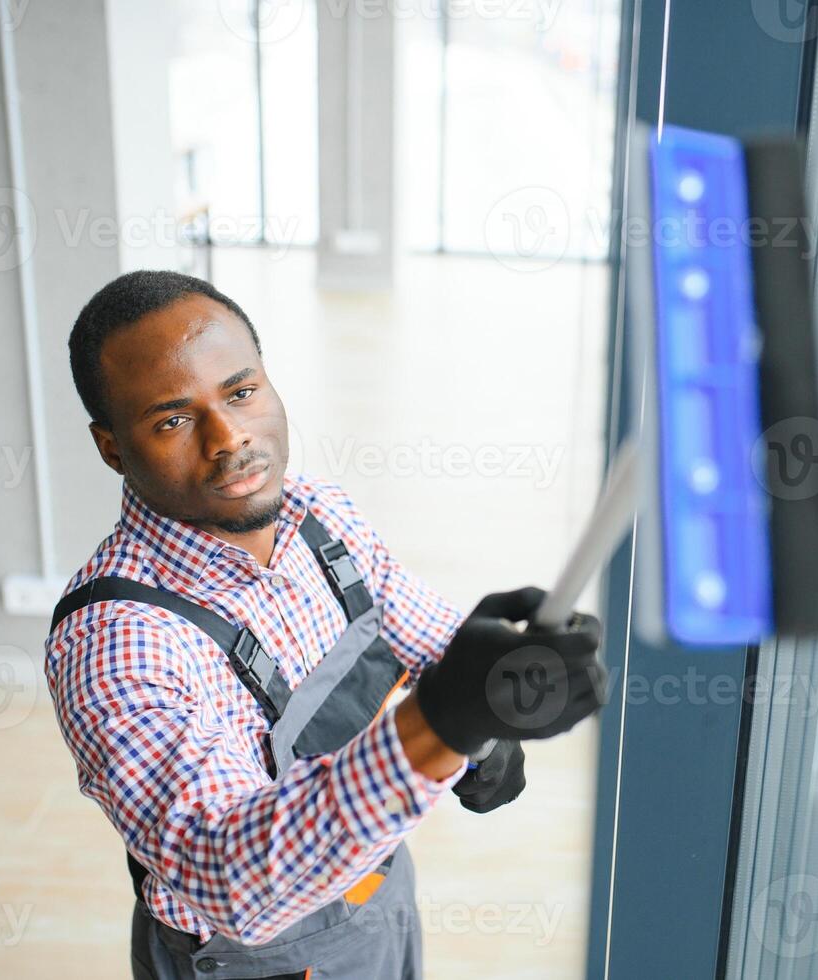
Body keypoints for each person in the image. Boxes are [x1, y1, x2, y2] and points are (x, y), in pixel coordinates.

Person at [43, 270, 607, 979]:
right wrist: (437, 728)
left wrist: (491, 689)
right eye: (174, 420)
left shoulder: (321, 517)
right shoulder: (117, 641)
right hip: (257, 962)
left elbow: (419, 630)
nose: (229, 438)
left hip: (377, 889)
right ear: (112, 447)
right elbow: (228, 878)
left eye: (241, 392)